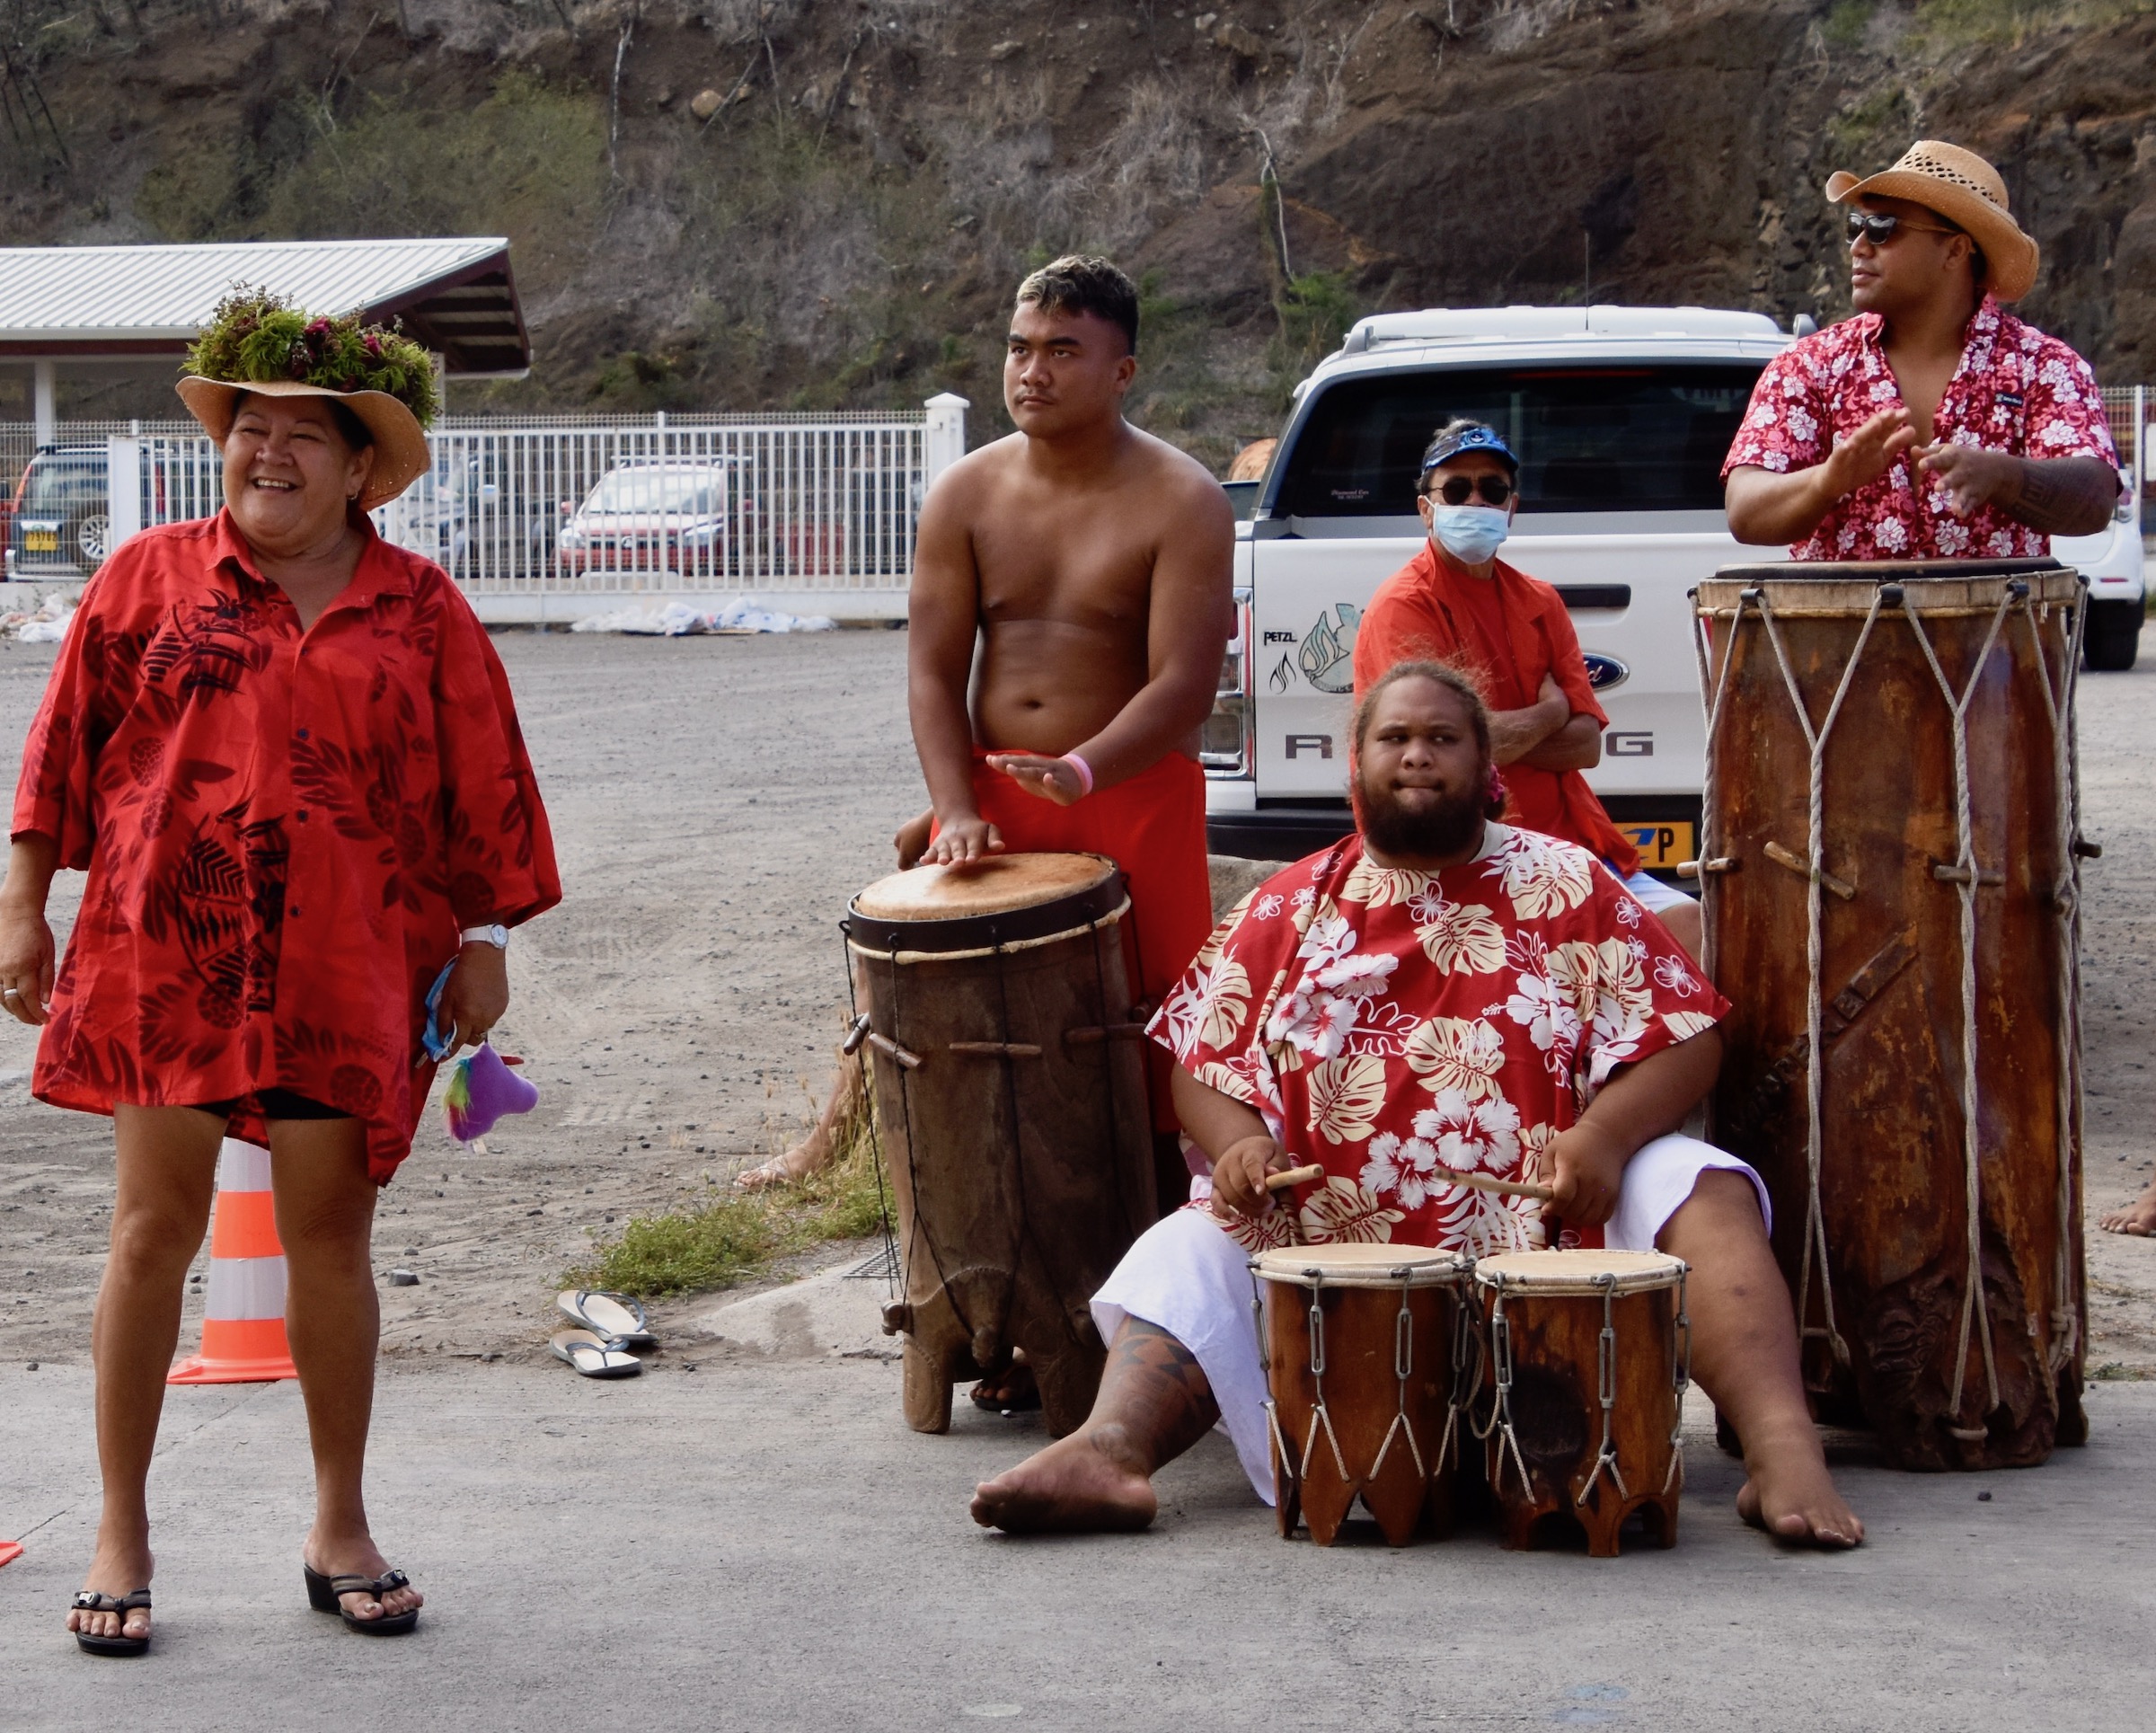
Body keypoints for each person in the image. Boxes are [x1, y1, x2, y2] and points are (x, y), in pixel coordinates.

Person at [970, 660, 1863, 1548]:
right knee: (1185, 1244)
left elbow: (1684, 1033)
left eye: (1444, 738)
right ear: (1353, 765)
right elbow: (1201, 1060)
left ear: (1487, 768)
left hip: (1559, 1231)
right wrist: (1240, 1142)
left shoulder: (1569, 886)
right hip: (1329, 1249)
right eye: (1394, 737)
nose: (1418, 756)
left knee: (1696, 1178)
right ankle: (1110, 1451)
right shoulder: (1288, 907)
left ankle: (1783, 1451)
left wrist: (1605, 1135)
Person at [0, 293, 561, 1654]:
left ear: (363, 468)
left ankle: (339, 1523)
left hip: (351, 954)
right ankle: (122, 1527)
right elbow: (60, 752)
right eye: (251, 426)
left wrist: (485, 940)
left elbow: (484, 783)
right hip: (167, 949)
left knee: (330, 1239)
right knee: (150, 1233)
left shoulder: (421, 609)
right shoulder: (145, 577)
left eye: (306, 435)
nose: (270, 452)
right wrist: (22, 905)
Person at [741, 258, 1233, 1234]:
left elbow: (1185, 687)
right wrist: (957, 803)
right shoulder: (965, 493)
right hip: (997, 785)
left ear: (1122, 371)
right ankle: (857, 1141)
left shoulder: (1183, 498)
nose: (1032, 372)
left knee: (1154, 1013)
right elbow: (931, 671)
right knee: (931, 976)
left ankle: (1162, 1208)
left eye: (1062, 351)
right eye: (1019, 348)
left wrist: (1085, 768)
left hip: (1130, 784)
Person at [1351, 420, 1702, 961]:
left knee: (1694, 930)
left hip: (1571, 849)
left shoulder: (1539, 601)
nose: (1476, 500)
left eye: (1492, 489)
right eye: (1457, 488)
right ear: (1426, 508)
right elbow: (1429, 753)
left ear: (1511, 507)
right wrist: (1547, 713)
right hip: (1461, 857)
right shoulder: (1405, 605)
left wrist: (1483, 736)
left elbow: (1586, 745)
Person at [1724, 139, 2118, 559]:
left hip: (1993, 628)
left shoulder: (2043, 366)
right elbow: (1745, 511)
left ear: (1954, 250)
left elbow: (2095, 500)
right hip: (1844, 628)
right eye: (1855, 227)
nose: (1858, 246)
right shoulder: (1808, 366)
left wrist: (2005, 475)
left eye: (1882, 229)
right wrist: (1827, 480)